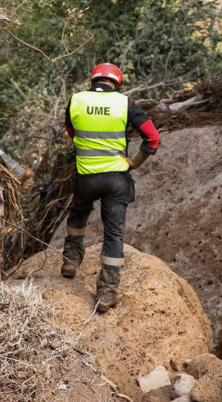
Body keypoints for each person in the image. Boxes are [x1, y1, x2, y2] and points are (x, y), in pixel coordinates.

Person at [61, 63, 160, 310]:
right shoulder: (125, 103)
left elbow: (72, 133)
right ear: (119, 83)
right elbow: (153, 137)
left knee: (78, 211)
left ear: (92, 81)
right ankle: (107, 292)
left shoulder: (76, 100)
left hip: (86, 176)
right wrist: (135, 163)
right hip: (116, 179)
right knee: (114, 234)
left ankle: (71, 259)